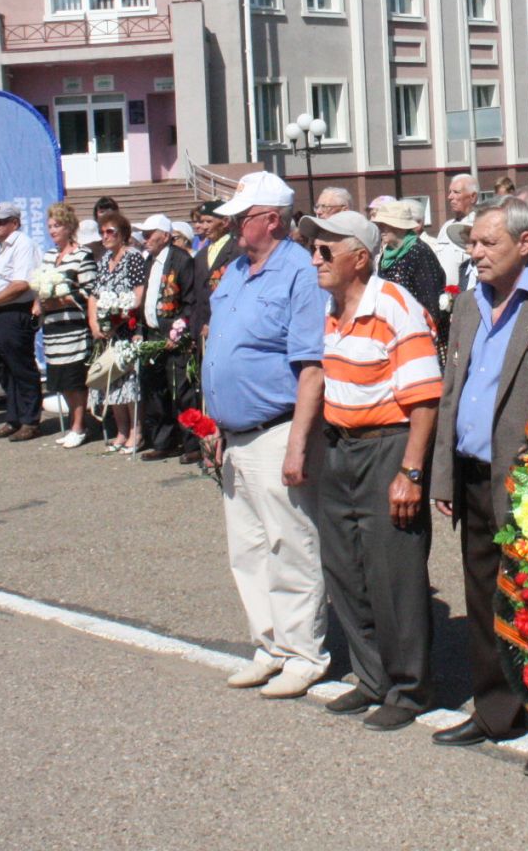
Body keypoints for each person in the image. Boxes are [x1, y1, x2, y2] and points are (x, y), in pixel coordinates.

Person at [428, 197, 528, 776]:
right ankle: (496, 711)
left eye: (485, 243)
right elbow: (453, 392)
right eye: (471, 243)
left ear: (525, 244)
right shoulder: (469, 306)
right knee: (481, 601)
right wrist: (443, 472)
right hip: (473, 477)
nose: (474, 253)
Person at [303, 208, 442, 732]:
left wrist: (410, 471)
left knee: (394, 573)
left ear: (359, 258)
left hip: (388, 445)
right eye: (315, 248)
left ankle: (409, 687)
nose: (315, 257)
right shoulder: (334, 307)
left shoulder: (394, 306)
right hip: (342, 446)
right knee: (345, 566)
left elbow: (425, 397)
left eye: (325, 250)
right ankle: (372, 676)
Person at [200, 171, 331, 700]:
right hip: (234, 433)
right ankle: (269, 644)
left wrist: (299, 443)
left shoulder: (299, 272)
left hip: (277, 429)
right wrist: (213, 425)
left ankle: (304, 652)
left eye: (242, 216)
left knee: (291, 543)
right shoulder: (234, 268)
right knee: (248, 547)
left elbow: (311, 367)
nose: (231, 224)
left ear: (271, 220)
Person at [0, 202, 42, 442]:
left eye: (1, 221)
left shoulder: (23, 244)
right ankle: (13, 417)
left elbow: (22, 283)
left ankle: (30, 419)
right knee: (0, 366)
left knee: (21, 366)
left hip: (13, 311)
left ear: (15, 222)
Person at [32, 203, 98, 448]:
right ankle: (74, 423)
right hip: (53, 329)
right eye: (49, 226)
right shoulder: (49, 256)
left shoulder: (82, 255)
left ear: (69, 226)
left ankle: (80, 426)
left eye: (57, 225)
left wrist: (60, 299)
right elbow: (40, 287)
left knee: (75, 380)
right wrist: (41, 301)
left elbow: (90, 292)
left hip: (74, 328)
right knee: (61, 381)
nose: (53, 230)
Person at [135, 213, 195, 461]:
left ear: (166, 236)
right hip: (152, 333)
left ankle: (195, 444)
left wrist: (179, 331)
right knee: (154, 389)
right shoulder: (149, 260)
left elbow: (190, 301)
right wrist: (140, 330)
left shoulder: (181, 260)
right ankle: (163, 441)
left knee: (184, 392)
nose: (145, 239)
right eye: (145, 234)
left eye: (150, 234)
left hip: (175, 335)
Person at [88, 210, 148, 453]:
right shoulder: (103, 261)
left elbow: (138, 293)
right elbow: (94, 294)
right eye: (102, 232)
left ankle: (137, 431)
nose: (105, 236)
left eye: (110, 231)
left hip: (127, 328)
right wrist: (94, 322)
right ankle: (121, 430)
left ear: (122, 233)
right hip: (107, 332)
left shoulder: (132, 258)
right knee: (111, 382)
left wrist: (118, 318)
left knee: (130, 383)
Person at [372, 200, 448, 335]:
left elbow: (431, 298)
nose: (381, 229)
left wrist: (424, 330)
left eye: (385, 225)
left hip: (418, 331)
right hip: (392, 329)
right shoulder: (386, 254)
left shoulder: (419, 251)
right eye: (380, 225)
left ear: (399, 226)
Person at [430, 173, 480, 288]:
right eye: (449, 192)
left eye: (456, 192)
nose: (450, 197)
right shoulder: (446, 227)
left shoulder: (478, 226)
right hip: (444, 298)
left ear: (473, 197)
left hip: (466, 296)